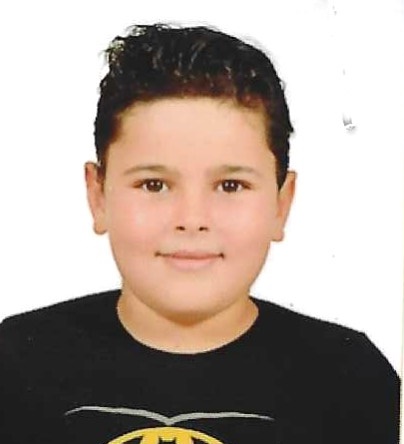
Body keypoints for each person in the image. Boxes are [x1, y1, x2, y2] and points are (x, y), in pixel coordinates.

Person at [0, 23, 399, 444]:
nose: (192, 219)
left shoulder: (349, 378)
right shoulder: (16, 363)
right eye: (154, 184)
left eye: (231, 186)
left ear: (281, 204)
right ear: (98, 195)